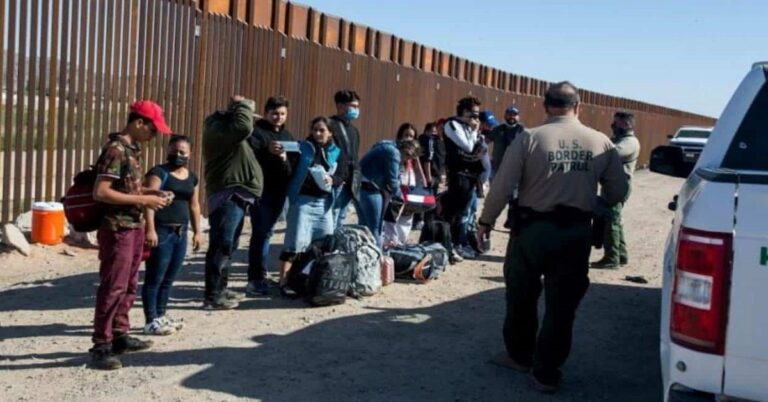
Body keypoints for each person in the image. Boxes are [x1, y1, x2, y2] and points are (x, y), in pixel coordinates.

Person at [477, 81, 628, 393]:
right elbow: (617, 190)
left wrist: (486, 221)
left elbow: (502, 186)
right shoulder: (600, 141)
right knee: (562, 305)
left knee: (521, 296)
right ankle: (547, 372)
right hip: (575, 233)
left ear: (545, 106)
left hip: (532, 230)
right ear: (578, 106)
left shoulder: (530, 138)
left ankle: (520, 355)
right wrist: (595, 202)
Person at [89, 100, 173, 370]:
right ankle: (102, 345)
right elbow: (101, 192)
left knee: (129, 285)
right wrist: (144, 200)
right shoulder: (115, 150)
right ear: (139, 123)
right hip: (117, 228)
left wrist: (152, 195)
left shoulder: (132, 150)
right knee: (113, 286)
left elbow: (130, 189)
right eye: (152, 128)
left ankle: (120, 335)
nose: (154, 135)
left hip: (133, 225)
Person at [202, 95, 262, 310]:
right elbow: (244, 127)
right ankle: (213, 295)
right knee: (221, 245)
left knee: (228, 245)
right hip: (228, 196)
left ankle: (220, 290)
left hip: (235, 196)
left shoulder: (228, 134)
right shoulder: (221, 131)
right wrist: (243, 104)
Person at [141, 135, 202, 335]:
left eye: (182, 151)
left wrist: (198, 232)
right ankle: (150, 320)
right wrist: (150, 229)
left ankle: (161, 316)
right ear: (167, 150)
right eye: (174, 150)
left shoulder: (192, 177)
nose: (178, 154)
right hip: (162, 230)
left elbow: (194, 205)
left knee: (169, 278)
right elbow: (148, 200)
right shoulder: (159, 173)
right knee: (155, 277)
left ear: (190, 154)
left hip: (181, 232)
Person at [278, 117, 345, 295]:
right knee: (295, 243)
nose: (317, 133)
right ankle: (284, 282)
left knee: (324, 243)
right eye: (315, 129)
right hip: (302, 201)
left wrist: (333, 179)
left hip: (325, 204)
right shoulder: (303, 148)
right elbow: (288, 170)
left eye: (322, 130)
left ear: (330, 132)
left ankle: (314, 279)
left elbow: (343, 174)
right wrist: (284, 158)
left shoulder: (337, 152)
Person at [246, 96, 296, 296]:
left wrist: (284, 158)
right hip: (261, 192)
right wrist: (268, 152)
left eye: (282, 113)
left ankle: (261, 276)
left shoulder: (288, 136)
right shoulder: (256, 134)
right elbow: (251, 161)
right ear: (266, 112)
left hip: (280, 191)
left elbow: (291, 166)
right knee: (261, 234)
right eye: (275, 113)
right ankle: (255, 279)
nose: (278, 117)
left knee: (268, 232)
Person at [591, 111, 641, 269]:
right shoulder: (620, 140)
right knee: (615, 220)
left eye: (617, 123)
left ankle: (611, 258)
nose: (613, 125)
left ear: (627, 124)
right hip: (612, 184)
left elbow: (613, 153)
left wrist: (599, 142)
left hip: (619, 185)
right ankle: (621, 255)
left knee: (611, 221)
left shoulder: (629, 142)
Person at [441, 97, 488, 260]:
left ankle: (459, 243)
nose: (475, 118)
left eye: (477, 115)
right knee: (454, 212)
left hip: (471, 175)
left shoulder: (468, 127)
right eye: (472, 114)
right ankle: (451, 244)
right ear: (464, 112)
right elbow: (468, 147)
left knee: (465, 213)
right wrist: (474, 130)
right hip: (459, 174)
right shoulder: (452, 125)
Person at [358, 139, 422, 248]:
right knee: (376, 229)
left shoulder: (386, 144)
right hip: (372, 189)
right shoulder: (394, 153)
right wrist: (401, 196)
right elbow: (392, 180)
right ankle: (378, 259)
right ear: (405, 148)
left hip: (361, 187)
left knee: (363, 227)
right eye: (408, 155)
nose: (406, 159)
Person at [382, 124, 426, 246]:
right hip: (396, 190)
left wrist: (423, 182)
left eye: (411, 136)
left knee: (406, 218)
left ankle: (400, 241)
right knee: (392, 218)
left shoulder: (412, 154)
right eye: (406, 135)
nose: (408, 138)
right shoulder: (395, 152)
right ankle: (390, 241)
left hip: (408, 189)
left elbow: (417, 170)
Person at [329, 90, 362, 229]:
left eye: (357, 106)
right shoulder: (330, 126)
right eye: (353, 106)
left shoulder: (354, 131)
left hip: (350, 181)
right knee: (332, 216)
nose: (356, 110)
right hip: (336, 180)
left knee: (341, 217)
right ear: (341, 106)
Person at [487, 106, 525, 175]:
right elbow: (485, 141)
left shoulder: (523, 131)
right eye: (509, 114)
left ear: (518, 117)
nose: (512, 117)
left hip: (514, 169)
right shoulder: (497, 129)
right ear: (505, 116)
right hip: (497, 168)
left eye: (514, 115)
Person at [418, 122, 446, 195]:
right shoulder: (429, 141)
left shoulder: (441, 142)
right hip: (430, 176)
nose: (435, 134)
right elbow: (427, 160)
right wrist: (428, 177)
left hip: (437, 175)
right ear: (426, 131)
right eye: (433, 132)